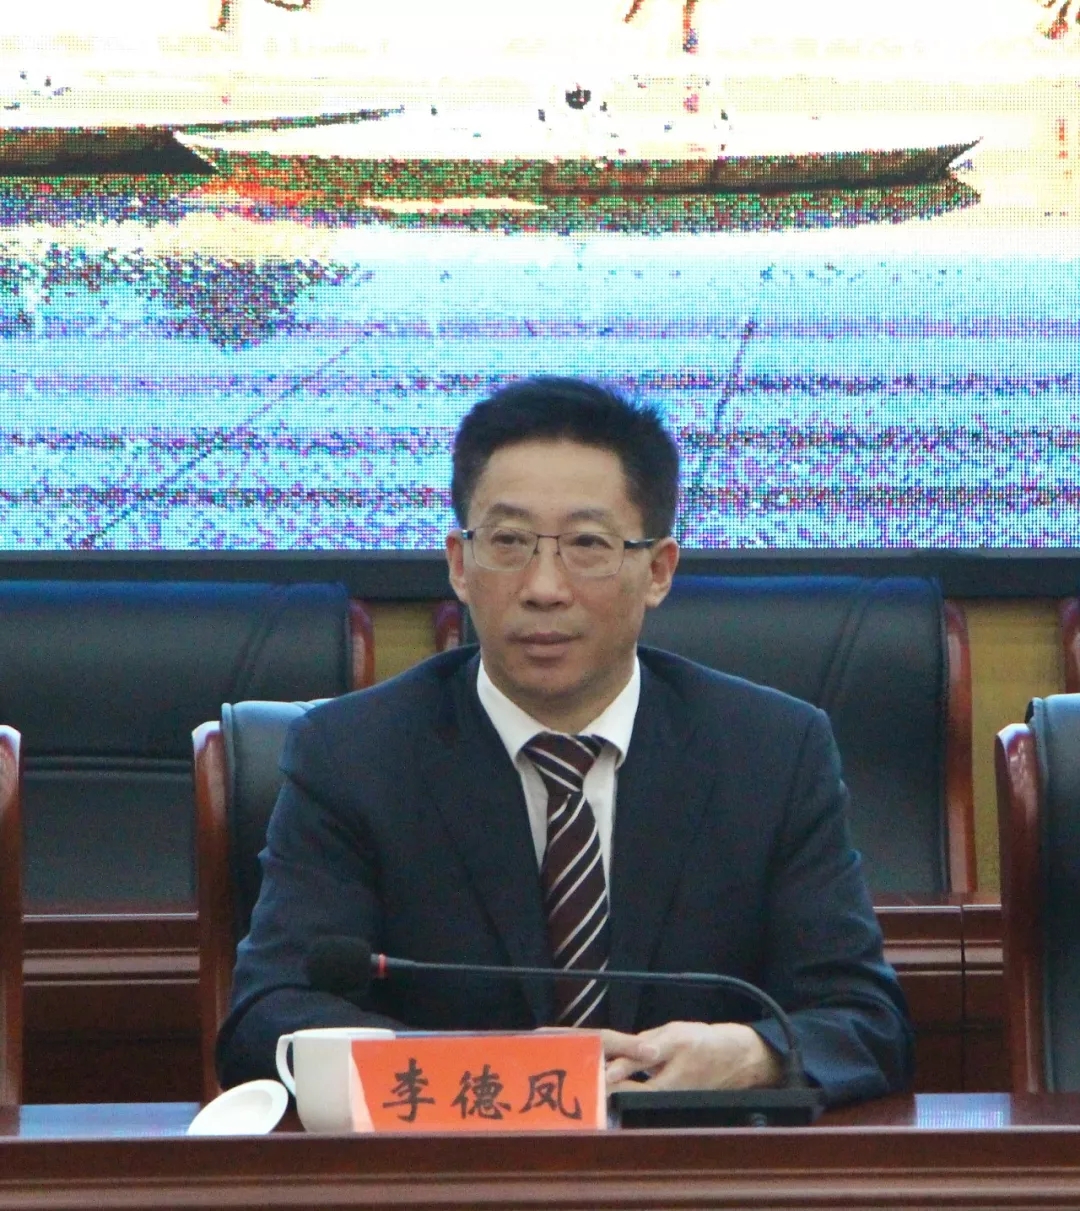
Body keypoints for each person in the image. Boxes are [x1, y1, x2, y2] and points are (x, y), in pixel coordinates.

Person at [218, 376, 914, 1102]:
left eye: (587, 544)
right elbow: (269, 1021)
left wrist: (754, 1054)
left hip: (692, 1156)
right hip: (451, 1159)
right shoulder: (352, 755)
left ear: (658, 571)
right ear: (459, 564)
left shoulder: (772, 752)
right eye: (509, 542)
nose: (544, 587)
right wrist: (506, 1075)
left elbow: (865, 1020)